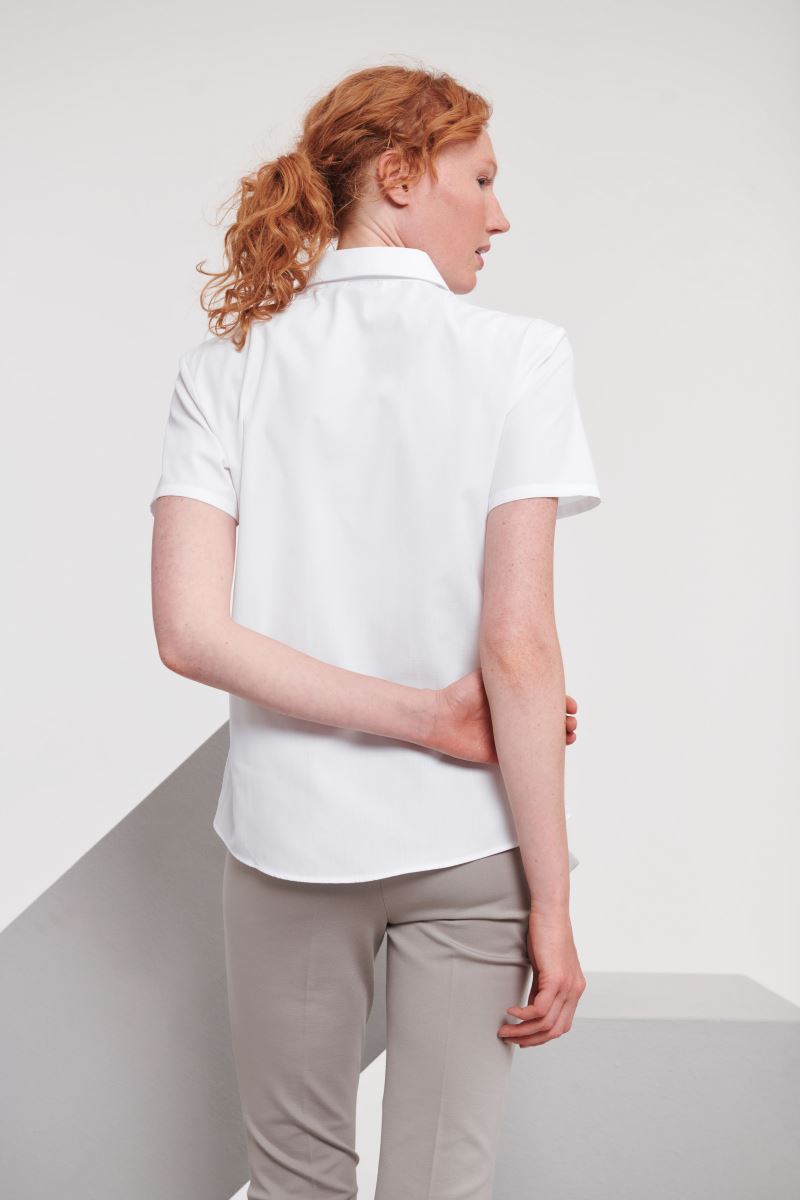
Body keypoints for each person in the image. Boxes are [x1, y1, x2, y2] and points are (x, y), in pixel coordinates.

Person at [150, 62, 602, 1200]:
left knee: (294, 1180)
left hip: (285, 839)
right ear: (401, 176)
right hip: (468, 842)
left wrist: (424, 717)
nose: (500, 215)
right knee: (445, 1184)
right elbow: (518, 648)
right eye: (481, 179)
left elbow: (190, 632)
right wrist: (552, 905)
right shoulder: (520, 356)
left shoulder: (225, 368)